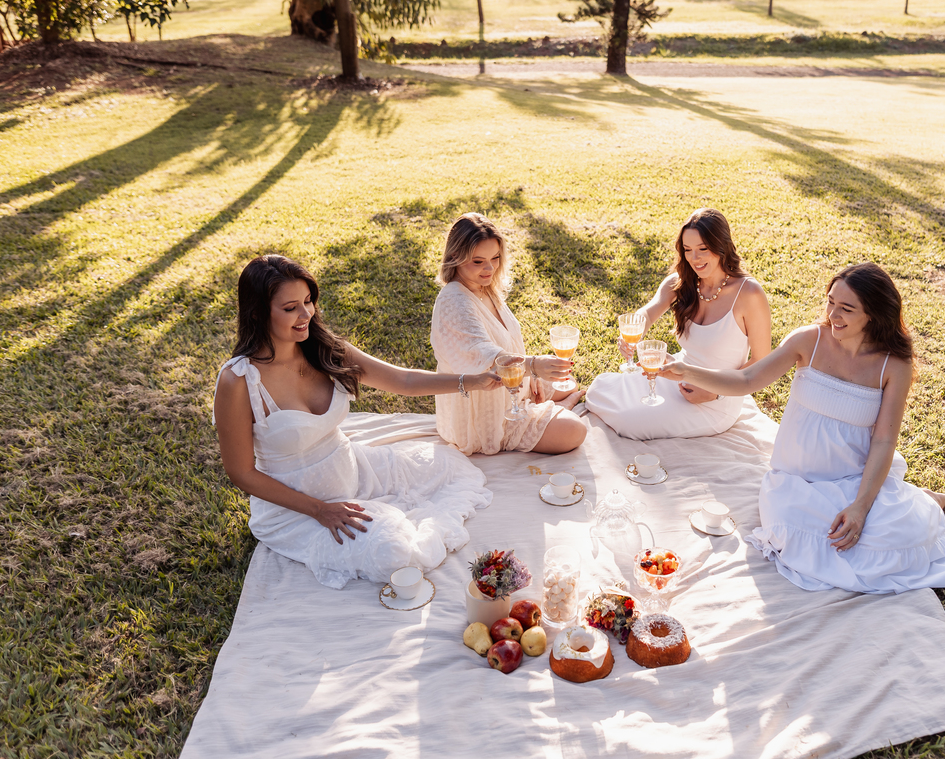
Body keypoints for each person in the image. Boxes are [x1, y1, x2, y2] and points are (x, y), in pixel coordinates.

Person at [660, 262, 945, 594]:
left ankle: (918, 502)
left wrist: (861, 508)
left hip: (854, 480)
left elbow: (883, 441)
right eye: (831, 301)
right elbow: (747, 379)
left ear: (874, 315)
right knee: (794, 537)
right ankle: (909, 500)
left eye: (846, 308)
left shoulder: (894, 366)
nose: (833, 313)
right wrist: (686, 371)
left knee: (890, 542)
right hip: (796, 481)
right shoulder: (809, 340)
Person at [213, 254, 501, 590]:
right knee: (395, 553)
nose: (306, 314)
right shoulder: (239, 381)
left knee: (450, 467)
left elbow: (403, 381)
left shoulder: (325, 350)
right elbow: (241, 473)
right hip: (298, 511)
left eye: (308, 301)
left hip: (354, 469)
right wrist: (321, 510)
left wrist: (474, 380)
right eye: (290, 308)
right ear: (257, 313)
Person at [585, 208, 772, 440]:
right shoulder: (682, 282)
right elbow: (648, 313)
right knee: (601, 389)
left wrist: (715, 392)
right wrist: (633, 334)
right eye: (688, 250)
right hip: (677, 373)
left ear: (722, 245)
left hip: (718, 398)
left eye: (703, 249)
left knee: (629, 421)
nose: (695, 259)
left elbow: (762, 363)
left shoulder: (749, 294)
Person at [430, 213, 587, 456]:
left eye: (495, 258)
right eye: (478, 261)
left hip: (512, 387)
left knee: (567, 381)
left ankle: (548, 405)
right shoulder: (454, 300)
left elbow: (507, 345)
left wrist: (532, 376)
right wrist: (533, 366)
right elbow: (486, 360)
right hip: (485, 416)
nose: (490, 268)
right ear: (455, 258)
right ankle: (558, 409)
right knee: (574, 430)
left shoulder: (485, 289)